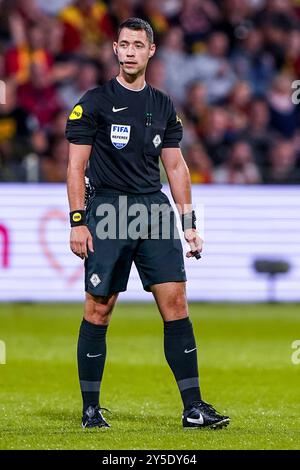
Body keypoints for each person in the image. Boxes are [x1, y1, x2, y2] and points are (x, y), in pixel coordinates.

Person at [65, 17, 230, 430]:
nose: (130, 52)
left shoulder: (163, 104)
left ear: (151, 51)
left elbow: (175, 166)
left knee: (176, 306)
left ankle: (193, 408)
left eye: (138, 45)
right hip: (107, 211)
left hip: (153, 212)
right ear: (116, 50)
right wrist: (77, 222)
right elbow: (74, 167)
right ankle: (89, 410)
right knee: (98, 310)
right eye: (124, 45)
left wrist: (189, 223)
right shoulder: (95, 102)